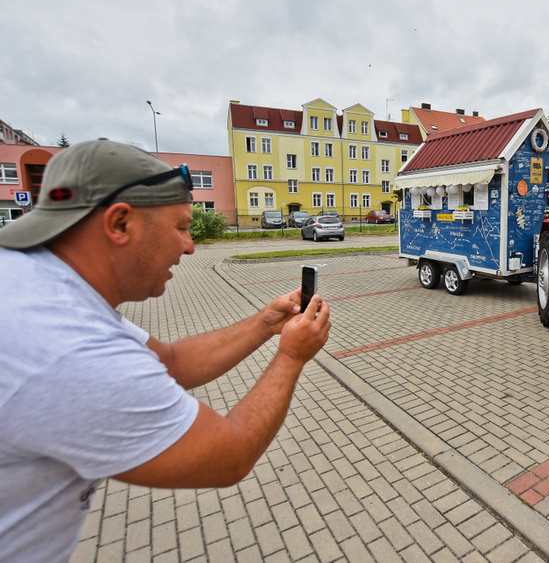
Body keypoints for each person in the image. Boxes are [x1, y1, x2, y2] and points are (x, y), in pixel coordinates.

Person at [0, 140, 331, 561]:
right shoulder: (69, 346)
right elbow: (229, 456)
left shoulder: (38, 285)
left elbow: (171, 362)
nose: (189, 246)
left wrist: (266, 324)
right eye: (180, 227)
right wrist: (291, 357)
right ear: (120, 223)